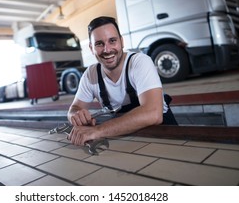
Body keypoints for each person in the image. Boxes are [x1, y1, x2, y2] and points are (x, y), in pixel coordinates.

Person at [67, 16, 177, 146]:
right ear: (91, 48)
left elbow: (153, 113)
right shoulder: (90, 75)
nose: (107, 50)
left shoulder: (140, 62)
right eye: (99, 44)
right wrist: (76, 115)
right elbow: (74, 109)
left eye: (112, 41)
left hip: (165, 136)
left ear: (122, 42)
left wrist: (97, 131)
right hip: (127, 137)